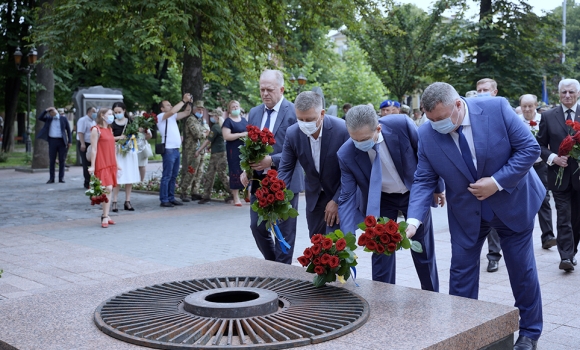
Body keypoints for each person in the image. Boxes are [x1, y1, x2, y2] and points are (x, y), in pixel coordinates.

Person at [406, 82, 543, 349]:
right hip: (467, 212)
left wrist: (497, 181)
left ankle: (529, 332)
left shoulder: (497, 108)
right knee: (461, 272)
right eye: (430, 119)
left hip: (512, 202)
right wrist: (413, 221)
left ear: (458, 104)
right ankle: (464, 331)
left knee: (521, 270)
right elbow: (423, 180)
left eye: (441, 119)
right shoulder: (427, 133)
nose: (436, 125)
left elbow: (529, 149)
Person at [337, 105, 443, 290]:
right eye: (354, 139)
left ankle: (431, 292)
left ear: (378, 128)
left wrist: (437, 188)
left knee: (422, 250)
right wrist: (348, 239)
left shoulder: (401, 124)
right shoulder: (345, 153)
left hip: (413, 192)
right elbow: (346, 196)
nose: (359, 144)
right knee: (381, 252)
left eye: (364, 139)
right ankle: (382, 298)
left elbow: (425, 154)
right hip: (382, 199)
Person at [240, 69, 304, 264]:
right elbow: (251, 147)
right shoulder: (255, 112)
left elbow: (300, 150)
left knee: (285, 230)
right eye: (262, 90)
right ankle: (273, 263)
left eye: (270, 89)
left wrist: (272, 160)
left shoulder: (294, 112)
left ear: (282, 89)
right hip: (259, 180)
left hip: (284, 180)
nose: (265, 93)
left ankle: (282, 271)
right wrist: (247, 169)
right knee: (256, 226)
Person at [279, 91, 349, 237]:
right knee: (317, 245)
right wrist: (277, 197)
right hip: (314, 198)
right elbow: (285, 169)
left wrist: (337, 200)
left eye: (310, 119)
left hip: (340, 194)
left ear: (322, 114)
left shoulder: (342, 130)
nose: (305, 124)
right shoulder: (293, 133)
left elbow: (351, 172)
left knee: (337, 246)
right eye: (300, 119)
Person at [537, 78, 580, 272]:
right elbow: (538, 146)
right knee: (563, 217)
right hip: (558, 176)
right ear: (559, 94)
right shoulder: (548, 116)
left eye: (571, 92)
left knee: (576, 220)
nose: (567, 95)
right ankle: (566, 257)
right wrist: (553, 158)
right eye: (564, 92)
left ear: (577, 93)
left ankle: (572, 250)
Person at [520, 94, 556, 250]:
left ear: (536, 106)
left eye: (530, 106)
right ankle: (520, 237)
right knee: (521, 202)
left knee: (543, 199)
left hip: (541, 166)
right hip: (522, 168)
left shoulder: (545, 120)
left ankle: (548, 236)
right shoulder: (515, 120)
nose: (527, 109)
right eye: (524, 106)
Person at [475, 77, 502, 272]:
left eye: (486, 90)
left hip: (498, 179)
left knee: (494, 219)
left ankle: (494, 256)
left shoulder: (502, 112)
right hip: (476, 179)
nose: (482, 93)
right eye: (479, 90)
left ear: (495, 92)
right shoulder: (473, 115)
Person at [157, 93, 192, 207]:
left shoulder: (172, 116)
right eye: (168, 105)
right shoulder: (161, 116)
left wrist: (189, 103)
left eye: (170, 104)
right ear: (162, 108)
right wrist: (183, 100)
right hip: (168, 149)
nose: (170, 106)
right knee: (167, 176)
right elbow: (172, 112)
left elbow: (186, 112)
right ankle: (164, 199)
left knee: (173, 175)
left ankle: (171, 197)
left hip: (176, 149)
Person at [87, 108, 118, 228]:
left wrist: (117, 164)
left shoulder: (110, 129)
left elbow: (112, 147)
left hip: (110, 162)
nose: (112, 116)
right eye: (110, 114)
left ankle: (106, 214)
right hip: (101, 162)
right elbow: (94, 149)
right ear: (102, 115)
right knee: (108, 188)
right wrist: (93, 166)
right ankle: (104, 216)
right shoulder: (96, 129)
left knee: (109, 189)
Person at [110, 102, 141, 212]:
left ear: (124, 110)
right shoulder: (112, 123)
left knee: (130, 176)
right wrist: (119, 137)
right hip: (118, 152)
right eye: (115, 112)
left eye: (119, 112)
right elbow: (108, 138)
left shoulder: (130, 122)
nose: (117, 114)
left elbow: (137, 134)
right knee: (118, 177)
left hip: (129, 151)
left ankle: (127, 201)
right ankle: (114, 201)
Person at [197, 111, 231, 204]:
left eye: (212, 116)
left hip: (217, 154)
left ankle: (206, 195)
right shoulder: (222, 126)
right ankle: (232, 193)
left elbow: (208, 140)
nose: (211, 117)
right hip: (221, 152)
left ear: (216, 117)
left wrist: (199, 150)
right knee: (221, 174)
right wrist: (210, 147)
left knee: (211, 174)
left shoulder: (215, 127)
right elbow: (217, 140)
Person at [180, 100, 208, 202]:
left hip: (200, 150)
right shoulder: (191, 120)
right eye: (199, 109)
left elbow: (204, 131)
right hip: (192, 150)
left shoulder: (199, 121)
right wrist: (205, 133)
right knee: (191, 171)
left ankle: (194, 192)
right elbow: (197, 134)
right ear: (193, 109)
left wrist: (204, 132)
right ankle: (184, 192)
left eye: (202, 109)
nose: (200, 111)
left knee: (199, 172)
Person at [222, 100, 248, 206]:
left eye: (237, 106)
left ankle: (247, 195)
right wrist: (241, 134)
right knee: (235, 171)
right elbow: (226, 136)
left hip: (245, 150)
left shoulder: (244, 120)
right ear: (229, 109)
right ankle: (236, 197)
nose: (235, 108)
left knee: (247, 170)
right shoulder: (228, 121)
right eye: (233, 107)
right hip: (233, 150)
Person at [37, 107, 72, 184]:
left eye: (53, 111)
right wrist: (46, 110)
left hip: (61, 141)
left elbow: (68, 130)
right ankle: (51, 178)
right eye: (50, 112)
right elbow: (40, 117)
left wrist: (70, 141)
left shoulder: (63, 118)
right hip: (52, 140)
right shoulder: (49, 118)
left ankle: (61, 178)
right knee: (52, 160)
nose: (52, 113)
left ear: (56, 111)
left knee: (62, 160)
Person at [77, 107, 96, 189]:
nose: (95, 113)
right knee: (86, 163)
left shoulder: (94, 121)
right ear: (89, 112)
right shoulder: (83, 120)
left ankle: (93, 181)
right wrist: (82, 144)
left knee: (93, 163)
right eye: (93, 112)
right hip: (85, 143)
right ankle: (87, 182)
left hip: (92, 143)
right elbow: (80, 132)